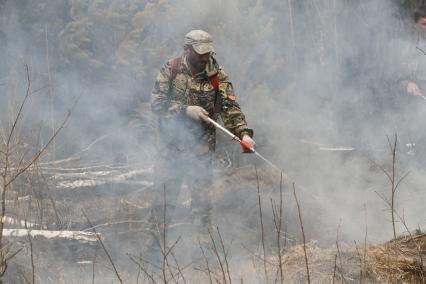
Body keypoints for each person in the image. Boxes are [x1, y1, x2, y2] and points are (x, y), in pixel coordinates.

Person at [148, 30, 255, 248]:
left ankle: (203, 257)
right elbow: (157, 104)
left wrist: (244, 133)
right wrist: (184, 110)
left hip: (201, 151)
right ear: (186, 49)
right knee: (163, 204)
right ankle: (155, 255)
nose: (204, 58)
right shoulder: (171, 69)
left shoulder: (217, 75)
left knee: (202, 207)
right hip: (170, 150)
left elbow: (230, 107)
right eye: (200, 53)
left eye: (208, 53)